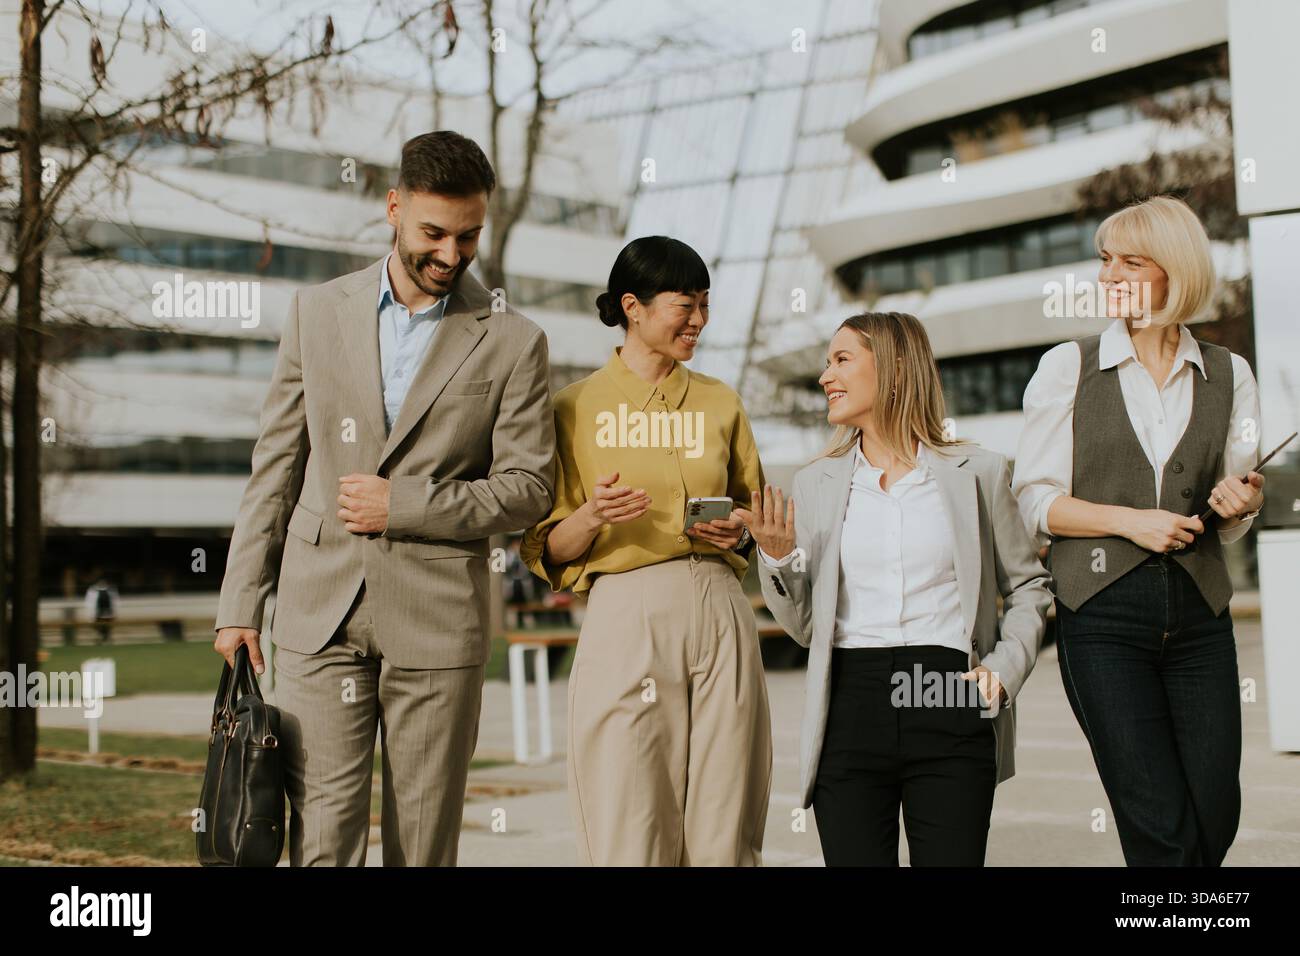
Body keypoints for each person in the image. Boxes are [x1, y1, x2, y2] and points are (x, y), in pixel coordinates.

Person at [213, 131, 555, 866]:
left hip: (436, 621)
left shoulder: (514, 340)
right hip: (316, 614)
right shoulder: (316, 312)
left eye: (469, 236)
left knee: (422, 845)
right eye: (433, 233)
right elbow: (274, 465)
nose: (452, 254)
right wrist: (240, 602)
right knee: (323, 840)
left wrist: (402, 504)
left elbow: (529, 488)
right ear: (394, 208)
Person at [743, 312, 1050, 866]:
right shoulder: (817, 483)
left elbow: (1029, 586)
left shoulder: (976, 472)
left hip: (950, 693)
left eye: (841, 360)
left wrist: (1002, 675)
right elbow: (805, 625)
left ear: (894, 365)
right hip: (850, 702)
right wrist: (777, 556)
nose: (825, 377)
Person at [1012, 194, 1263, 866]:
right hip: (1102, 618)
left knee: (1214, 812)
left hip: (1199, 617)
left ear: (1174, 270)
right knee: (1157, 822)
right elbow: (1036, 499)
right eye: (1104, 260)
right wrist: (1131, 522)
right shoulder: (1068, 367)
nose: (1108, 275)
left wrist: (1239, 505)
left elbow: (1234, 505)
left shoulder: (1229, 374)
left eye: (1130, 260)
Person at [520, 236, 772, 866]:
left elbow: (756, 513)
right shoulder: (572, 408)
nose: (699, 321)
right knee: (628, 820)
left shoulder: (722, 402)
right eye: (685, 305)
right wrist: (592, 515)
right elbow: (546, 547)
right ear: (632, 306)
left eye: (706, 305)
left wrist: (738, 530)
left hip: (720, 608)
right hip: (625, 612)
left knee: (726, 821)